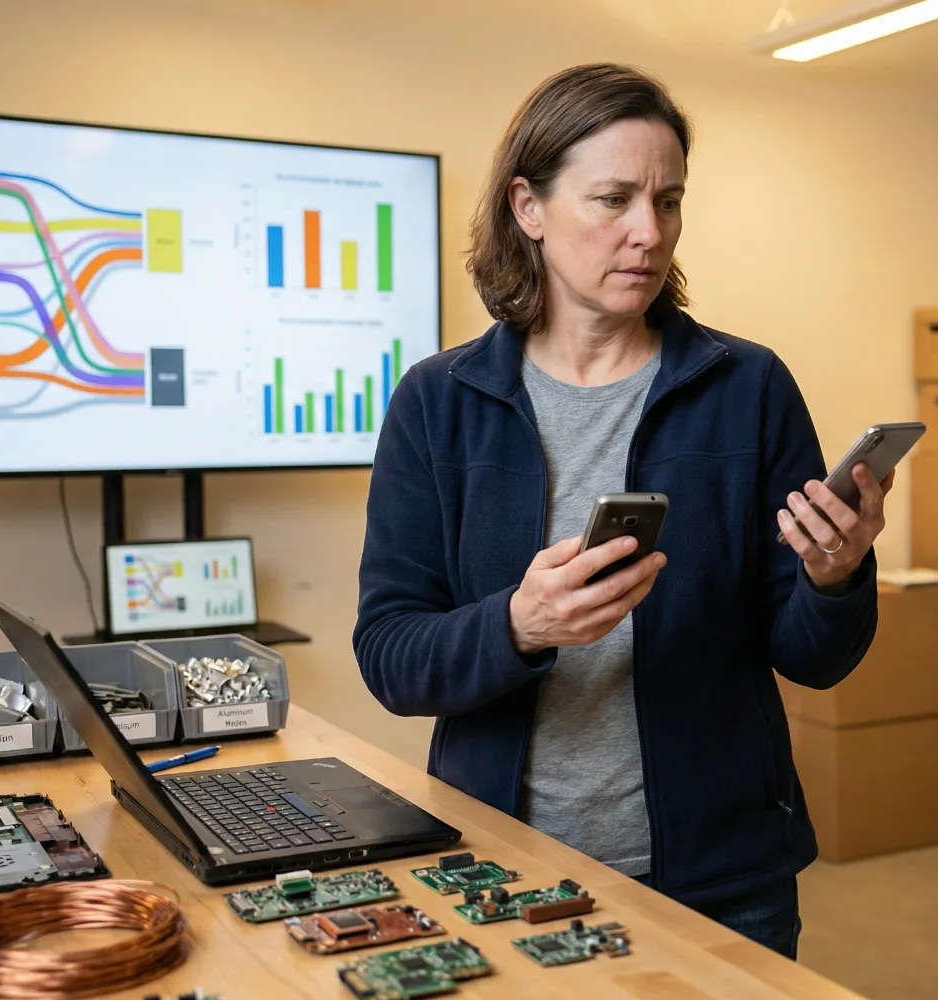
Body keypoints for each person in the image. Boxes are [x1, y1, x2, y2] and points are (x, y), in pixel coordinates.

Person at [354, 63, 893, 959]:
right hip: (502, 875)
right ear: (529, 208)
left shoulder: (747, 387)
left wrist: (833, 578)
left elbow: (812, 658)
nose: (650, 233)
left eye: (669, 201)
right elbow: (392, 660)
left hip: (723, 883)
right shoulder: (436, 402)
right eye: (613, 200)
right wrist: (520, 624)